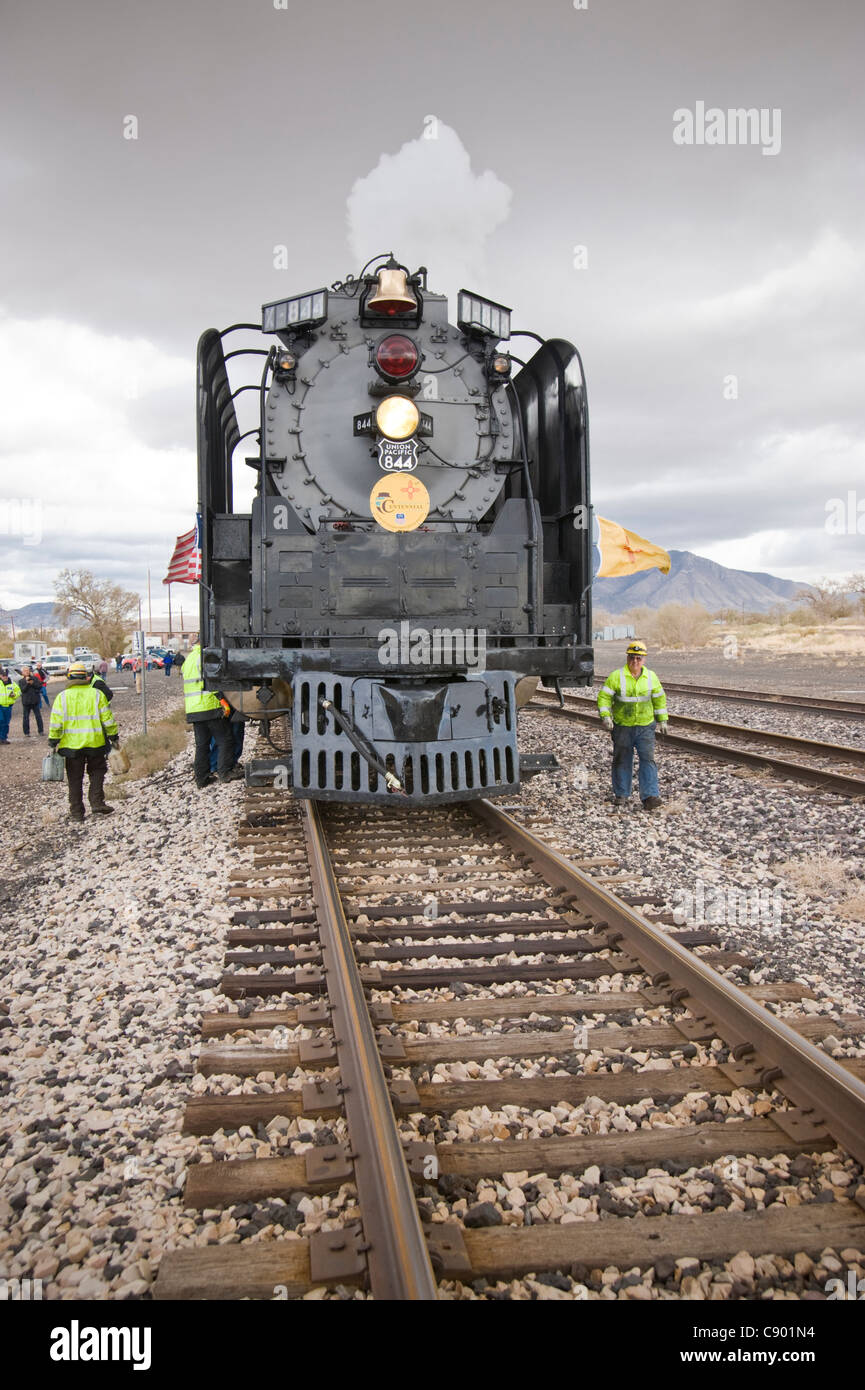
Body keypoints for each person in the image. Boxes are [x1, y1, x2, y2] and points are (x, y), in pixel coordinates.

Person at [597, 639, 668, 811]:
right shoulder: (617, 676)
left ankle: (650, 797)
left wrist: (662, 720)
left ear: (644, 659)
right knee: (622, 760)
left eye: (638, 658)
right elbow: (604, 698)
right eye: (631, 658)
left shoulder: (651, 677)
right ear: (627, 658)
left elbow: (659, 699)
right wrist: (605, 716)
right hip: (623, 726)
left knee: (648, 760)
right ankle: (622, 795)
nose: (634, 661)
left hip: (645, 726)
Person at [48, 662, 120, 821]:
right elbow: (107, 719)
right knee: (97, 772)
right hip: (95, 743)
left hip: (71, 746)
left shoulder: (62, 697)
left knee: (74, 778)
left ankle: (77, 812)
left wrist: (53, 740)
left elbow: (56, 723)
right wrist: (113, 736)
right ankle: (96, 803)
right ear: (86, 677)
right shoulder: (97, 695)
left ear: (69, 677)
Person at [182, 636, 242, 788]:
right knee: (225, 740)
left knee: (202, 745)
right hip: (209, 706)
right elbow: (212, 681)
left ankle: (201, 779)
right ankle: (225, 772)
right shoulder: (205, 657)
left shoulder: (188, 660)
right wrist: (222, 700)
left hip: (193, 709)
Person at [19, 666, 45, 737]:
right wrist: (27, 683)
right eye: (25, 670)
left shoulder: (34, 678)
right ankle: (26, 732)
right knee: (26, 717)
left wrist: (32, 683)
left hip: (35, 700)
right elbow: (23, 690)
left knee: (38, 716)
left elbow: (39, 686)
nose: (27, 672)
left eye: (27, 670)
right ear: (22, 672)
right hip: (26, 702)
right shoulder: (21, 681)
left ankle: (41, 731)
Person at [0, 667, 21, 744]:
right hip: (0, 706)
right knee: (1, 721)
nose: (5, 677)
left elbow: (18, 691)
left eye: (6, 675)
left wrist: (14, 695)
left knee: (6, 723)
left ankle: (3, 738)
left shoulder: (12, 683)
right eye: (3, 675)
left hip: (8, 706)